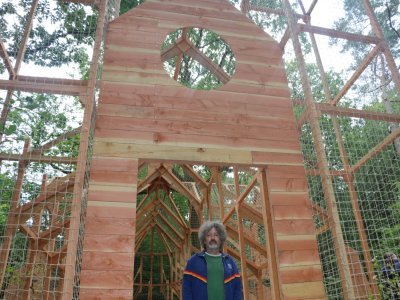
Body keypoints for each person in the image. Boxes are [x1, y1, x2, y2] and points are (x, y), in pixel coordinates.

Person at [182, 220, 242, 300]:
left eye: (216, 235)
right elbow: (186, 290)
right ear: (204, 240)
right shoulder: (193, 262)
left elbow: (237, 288)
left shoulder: (230, 261)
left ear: (221, 240)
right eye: (209, 235)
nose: (212, 238)